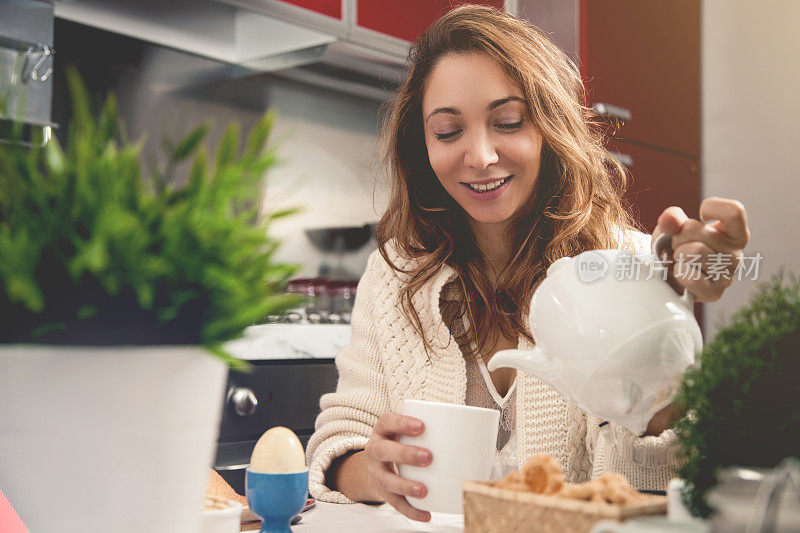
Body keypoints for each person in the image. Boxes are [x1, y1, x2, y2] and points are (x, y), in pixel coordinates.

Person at [305, 5, 749, 522]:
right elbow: (340, 438)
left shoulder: (629, 265)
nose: (481, 155)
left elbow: (664, 484)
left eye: (508, 122)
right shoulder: (396, 273)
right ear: (421, 145)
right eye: (448, 132)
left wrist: (660, 354)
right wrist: (372, 470)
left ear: (549, 126)